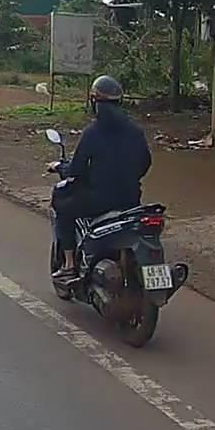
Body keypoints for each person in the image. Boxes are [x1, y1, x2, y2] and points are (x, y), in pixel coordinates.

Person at [51, 75, 152, 280]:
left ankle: (69, 265)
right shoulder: (136, 131)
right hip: (131, 200)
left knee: (63, 208)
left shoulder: (93, 132)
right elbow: (145, 163)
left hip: (99, 200)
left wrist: (59, 166)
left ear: (94, 101)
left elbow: (76, 169)